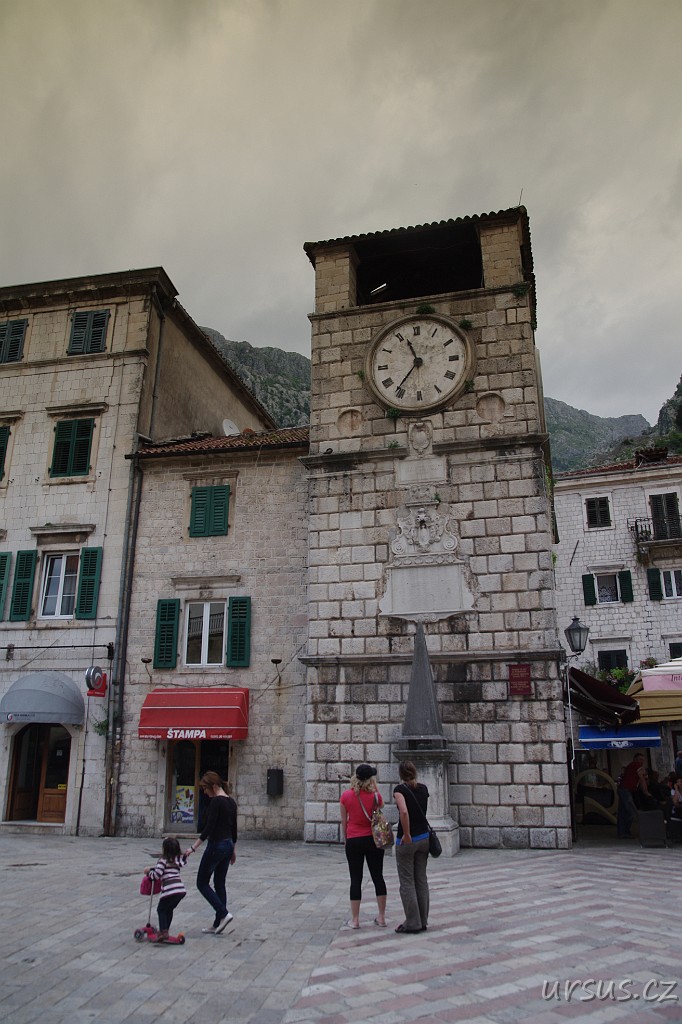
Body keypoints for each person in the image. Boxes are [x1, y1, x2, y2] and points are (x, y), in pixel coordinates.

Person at [185, 771, 237, 934]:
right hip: (228, 845)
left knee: (201, 882)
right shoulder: (231, 802)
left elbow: (209, 827)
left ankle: (223, 913)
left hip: (217, 845)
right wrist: (233, 850)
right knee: (219, 883)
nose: (205, 792)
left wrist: (193, 847)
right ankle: (218, 923)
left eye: (205, 789)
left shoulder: (216, 802)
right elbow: (234, 829)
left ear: (214, 786)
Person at [339, 763, 388, 929]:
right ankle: (381, 917)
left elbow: (344, 821)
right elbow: (380, 806)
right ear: (370, 779)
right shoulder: (376, 796)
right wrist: (374, 787)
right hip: (373, 840)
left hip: (354, 839)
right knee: (378, 877)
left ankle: (355, 920)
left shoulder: (346, 796)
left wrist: (346, 839)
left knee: (355, 879)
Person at [393, 760, 430, 934]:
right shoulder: (423, 789)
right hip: (424, 838)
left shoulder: (400, 790)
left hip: (408, 841)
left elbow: (404, 811)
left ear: (401, 774)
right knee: (421, 879)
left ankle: (413, 923)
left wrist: (407, 834)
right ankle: (423, 920)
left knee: (407, 881)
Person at [146, 836, 190, 942]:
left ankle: (163, 932)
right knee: (169, 909)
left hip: (170, 891)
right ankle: (165, 930)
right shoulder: (177, 861)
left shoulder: (163, 860)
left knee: (161, 909)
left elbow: (156, 875)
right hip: (180, 891)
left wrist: (148, 872)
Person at [617, 753, 647, 838]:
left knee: (623, 811)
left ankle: (622, 832)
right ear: (635, 759)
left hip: (623, 789)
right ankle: (625, 831)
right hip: (626, 790)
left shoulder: (631, 766)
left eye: (642, 760)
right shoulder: (636, 765)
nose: (641, 761)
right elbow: (642, 779)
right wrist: (646, 792)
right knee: (630, 811)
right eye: (640, 759)